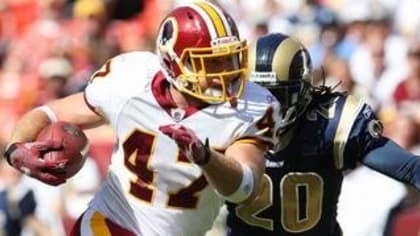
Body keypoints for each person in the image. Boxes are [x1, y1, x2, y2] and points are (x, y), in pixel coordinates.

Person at [2, 2, 279, 236]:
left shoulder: (249, 104)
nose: (226, 73)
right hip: (112, 223)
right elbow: (51, 112)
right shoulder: (132, 80)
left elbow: (244, 189)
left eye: (230, 59)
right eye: (211, 62)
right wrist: (16, 146)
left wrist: (206, 158)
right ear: (174, 62)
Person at [225, 32, 420, 236]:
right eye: (257, 94)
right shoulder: (226, 120)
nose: (267, 105)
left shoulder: (330, 123)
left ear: (303, 91)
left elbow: (409, 168)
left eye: (276, 95)